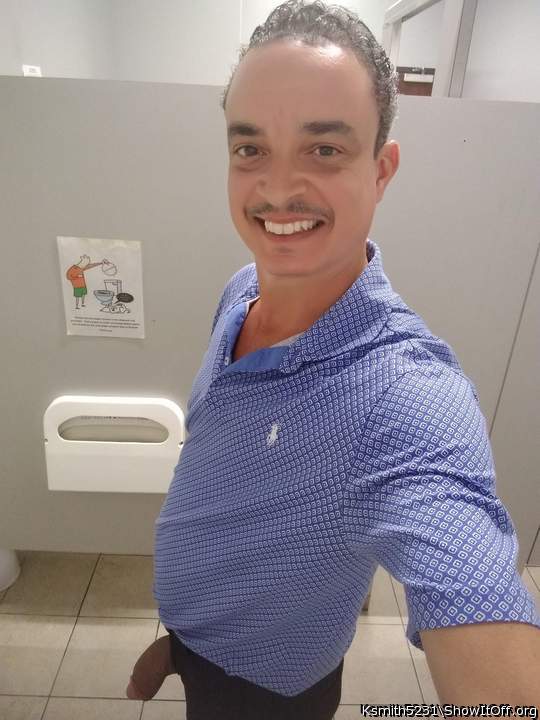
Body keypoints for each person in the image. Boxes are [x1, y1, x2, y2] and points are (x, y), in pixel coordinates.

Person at [127, 1, 540, 716]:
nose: (277, 188)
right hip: (200, 644)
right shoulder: (242, 290)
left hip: (267, 689)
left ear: (381, 170)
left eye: (324, 149)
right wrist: (182, 638)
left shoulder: (403, 396)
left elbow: (485, 626)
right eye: (250, 148)